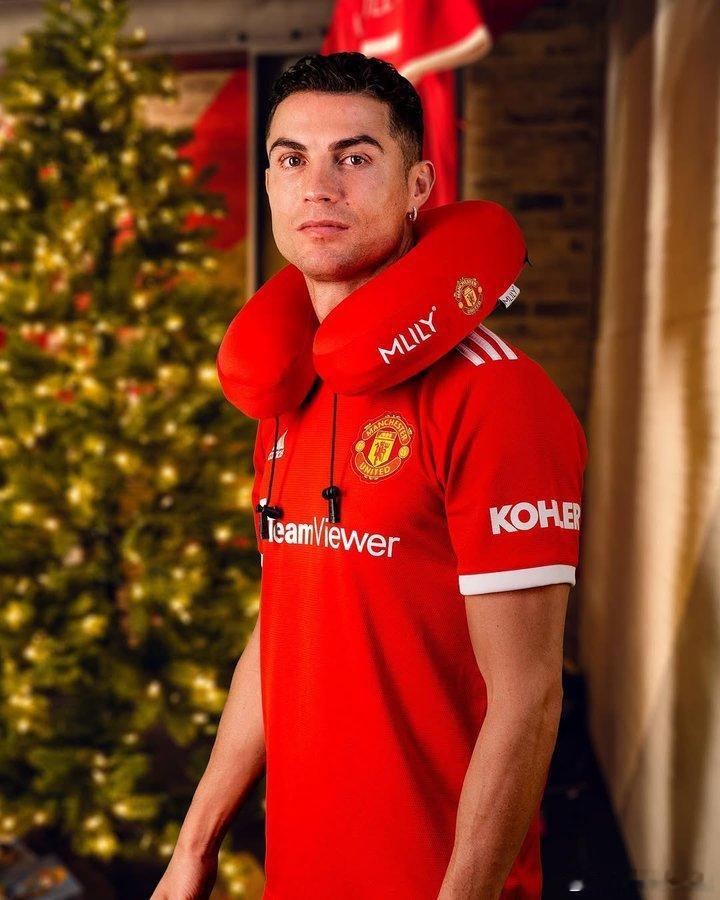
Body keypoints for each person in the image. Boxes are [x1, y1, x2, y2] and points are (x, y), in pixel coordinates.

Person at [151, 51, 588, 900]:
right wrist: (194, 847)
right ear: (270, 183)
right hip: (300, 870)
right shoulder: (287, 394)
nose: (318, 186)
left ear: (419, 184)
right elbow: (283, 627)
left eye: (354, 157)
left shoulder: (495, 395)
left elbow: (528, 699)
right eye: (291, 159)